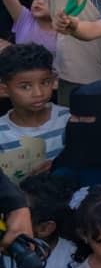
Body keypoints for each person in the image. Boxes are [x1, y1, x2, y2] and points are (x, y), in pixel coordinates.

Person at [0, 43, 68, 180]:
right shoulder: (2, 133)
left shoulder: (68, 119)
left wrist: (59, 166)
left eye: (45, 83)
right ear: (4, 90)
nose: (38, 93)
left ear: (54, 80)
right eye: (25, 87)